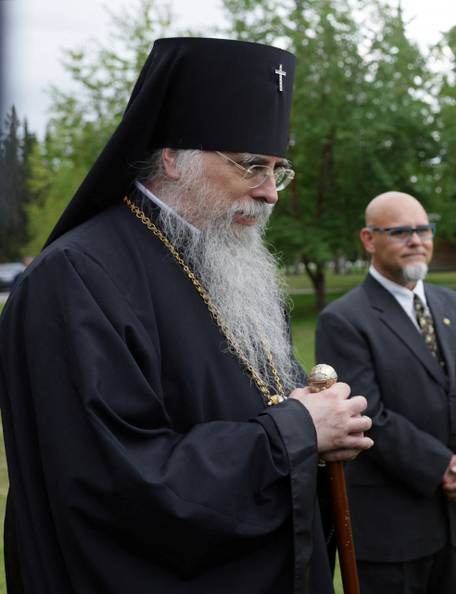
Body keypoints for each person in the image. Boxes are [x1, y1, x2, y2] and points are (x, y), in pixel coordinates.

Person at [0, 37, 373, 594]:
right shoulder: (74, 279)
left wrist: (324, 437)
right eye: (252, 166)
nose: (270, 193)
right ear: (172, 157)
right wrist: (296, 433)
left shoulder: (230, 264)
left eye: (278, 171)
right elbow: (117, 482)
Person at [314, 191, 456, 594]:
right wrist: (445, 467)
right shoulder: (343, 320)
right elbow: (368, 416)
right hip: (391, 530)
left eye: (423, 230)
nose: (416, 240)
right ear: (369, 239)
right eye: (401, 231)